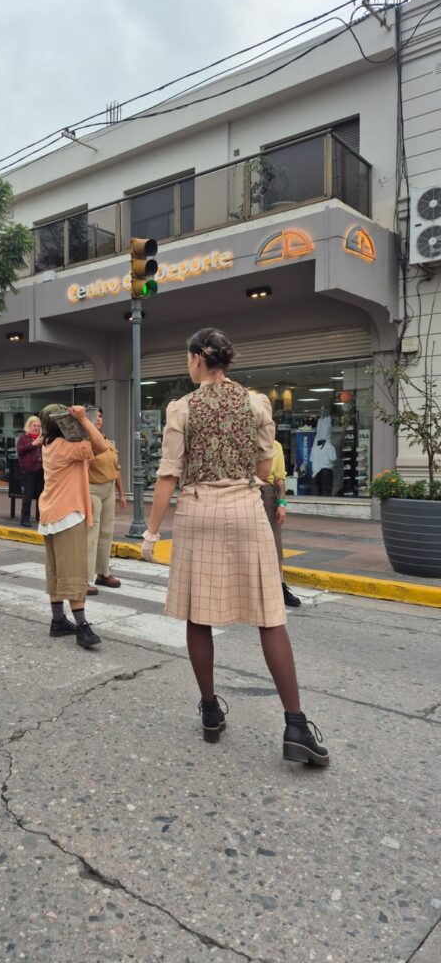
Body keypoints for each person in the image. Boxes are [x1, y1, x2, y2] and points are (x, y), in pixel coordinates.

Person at [142, 327, 328, 767]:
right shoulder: (256, 402)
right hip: (246, 508)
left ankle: (210, 711)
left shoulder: (181, 408)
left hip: (199, 510)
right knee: (269, 615)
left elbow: (168, 474)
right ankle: (296, 725)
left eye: (187, 358)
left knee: (198, 614)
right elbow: (264, 466)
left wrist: (150, 533)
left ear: (196, 358)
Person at [38, 403, 108, 649]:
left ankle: (58, 620)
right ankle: (82, 626)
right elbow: (102, 446)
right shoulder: (67, 447)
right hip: (68, 514)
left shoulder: (48, 444)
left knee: (56, 570)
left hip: (50, 513)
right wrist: (84, 419)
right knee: (74, 571)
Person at [85, 407, 127, 596]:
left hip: (109, 489)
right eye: (94, 416)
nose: (98, 419)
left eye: (100, 416)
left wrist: (122, 493)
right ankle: (85, 578)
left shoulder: (108, 442)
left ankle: (103, 573)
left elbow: (116, 470)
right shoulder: (85, 442)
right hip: (92, 488)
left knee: (107, 532)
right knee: (91, 534)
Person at [260, 440, 301, 608]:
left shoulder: (275, 445)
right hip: (244, 492)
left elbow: (279, 479)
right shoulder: (243, 440)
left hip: (266, 493)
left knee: (274, 543)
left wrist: (282, 504)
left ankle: (280, 587)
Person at [16, 415, 44, 527]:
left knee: (41, 496)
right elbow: (20, 450)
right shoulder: (24, 438)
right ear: (29, 426)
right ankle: (24, 520)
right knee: (28, 497)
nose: (36, 428)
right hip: (28, 472)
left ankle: (41, 518)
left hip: (40, 471)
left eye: (38, 426)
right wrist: (33, 444)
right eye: (34, 426)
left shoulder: (41, 438)